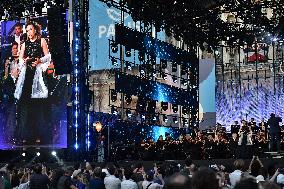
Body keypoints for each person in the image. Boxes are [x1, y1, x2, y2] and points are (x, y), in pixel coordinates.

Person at [14, 22, 51, 145]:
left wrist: (40, 61)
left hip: (38, 74)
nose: (29, 32)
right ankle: (25, 136)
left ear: (35, 30)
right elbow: (19, 59)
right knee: (26, 107)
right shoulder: (24, 44)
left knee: (38, 107)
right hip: (27, 76)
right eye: (27, 30)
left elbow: (48, 56)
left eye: (30, 29)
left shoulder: (42, 41)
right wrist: (24, 60)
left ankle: (39, 136)